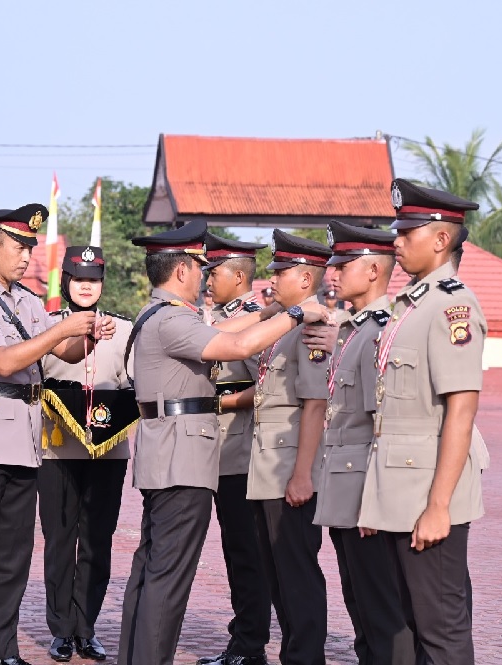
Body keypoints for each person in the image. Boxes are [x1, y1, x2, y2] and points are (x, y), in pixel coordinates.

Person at [118, 220, 327, 665]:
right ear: (180, 272)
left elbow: (237, 328)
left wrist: (270, 312)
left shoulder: (158, 312)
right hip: (183, 456)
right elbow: (234, 345)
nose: (204, 274)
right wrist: (293, 314)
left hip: (171, 452)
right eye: (199, 266)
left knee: (153, 568)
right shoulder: (175, 318)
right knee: (168, 577)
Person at [0, 203, 116, 665]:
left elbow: (66, 350)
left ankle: (3, 646)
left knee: (12, 555)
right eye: (17, 246)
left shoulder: (28, 301)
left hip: (22, 436)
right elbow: (3, 361)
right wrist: (63, 328)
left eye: (29, 248)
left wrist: (89, 334)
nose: (24, 256)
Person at [359, 179, 487, 665]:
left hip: (430, 494)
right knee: (407, 624)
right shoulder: (406, 307)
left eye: (407, 231)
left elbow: (461, 409)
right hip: (398, 491)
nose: (397, 241)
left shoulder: (452, 306)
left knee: (440, 629)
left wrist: (439, 507)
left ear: (440, 239)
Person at [308, 220, 415, 665]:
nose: (333, 274)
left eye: (344, 265)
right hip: (344, 488)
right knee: (360, 603)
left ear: (373, 271)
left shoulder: (379, 332)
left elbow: (381, 424)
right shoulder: (354, 329)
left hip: (367, 495)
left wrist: (375, 501)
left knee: (383, 609)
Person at [38, 245, 135, 663]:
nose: (86, 287)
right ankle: (61, 629)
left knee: (98, 540)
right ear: (66, 282)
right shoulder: (46, 328)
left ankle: (87, 627)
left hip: (108, 452)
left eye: (93, 280)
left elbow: (133, 386)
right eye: (79, 279)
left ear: (102, 285)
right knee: (59, 539)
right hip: (57, 449)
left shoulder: (125, 330)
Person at [248, 230, 332, 665]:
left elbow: (315, 405)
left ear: (304, 279)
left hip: (290, 467)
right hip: (268, 463)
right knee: (277, 573)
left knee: (297, 572)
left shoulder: (312, 329)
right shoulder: (285, 326)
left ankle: (305, 657)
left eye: (281, 272)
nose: (272, 279)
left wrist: (303, 475)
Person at [196, 233, 272, 665]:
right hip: (220, 451)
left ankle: (249, 646)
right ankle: (244, 641)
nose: (208, 279)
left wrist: (214, 402)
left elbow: (265, 388)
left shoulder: (254, 319)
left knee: (246, 555)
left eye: (215, 272)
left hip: (241, 454)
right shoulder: (216, 317)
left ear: (239, 276)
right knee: (236, 553)